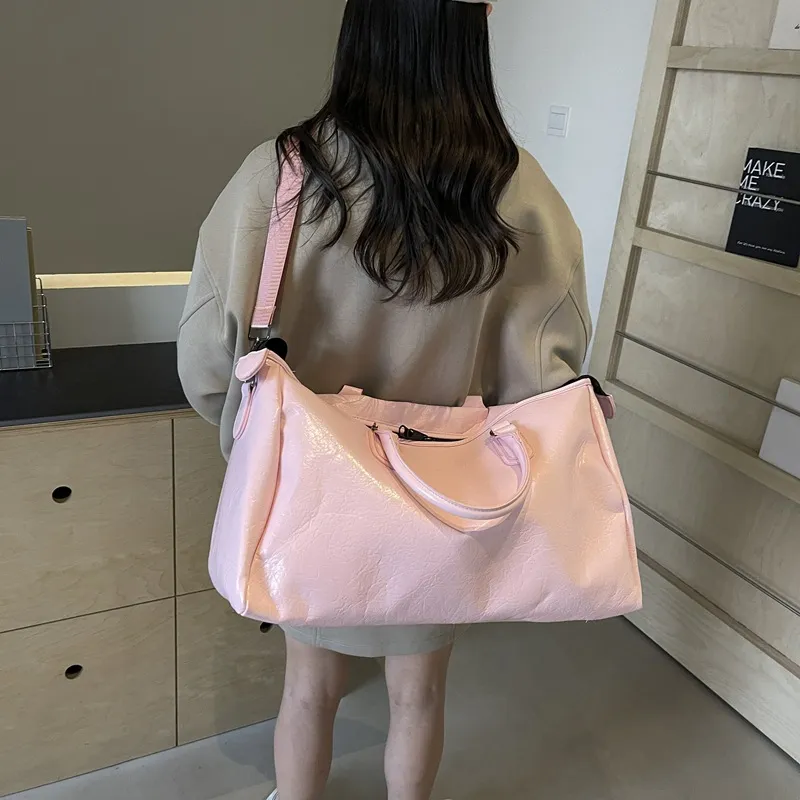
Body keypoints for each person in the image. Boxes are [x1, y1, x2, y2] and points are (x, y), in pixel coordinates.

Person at [177, 0, 591, 798]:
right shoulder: (519, 192)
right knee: (420, 695)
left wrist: (248, 439)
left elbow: (206, 359)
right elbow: (551, 377)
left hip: (308, 502)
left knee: (307, 690)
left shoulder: (282, 175)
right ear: (472, 30)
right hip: (449, 506)